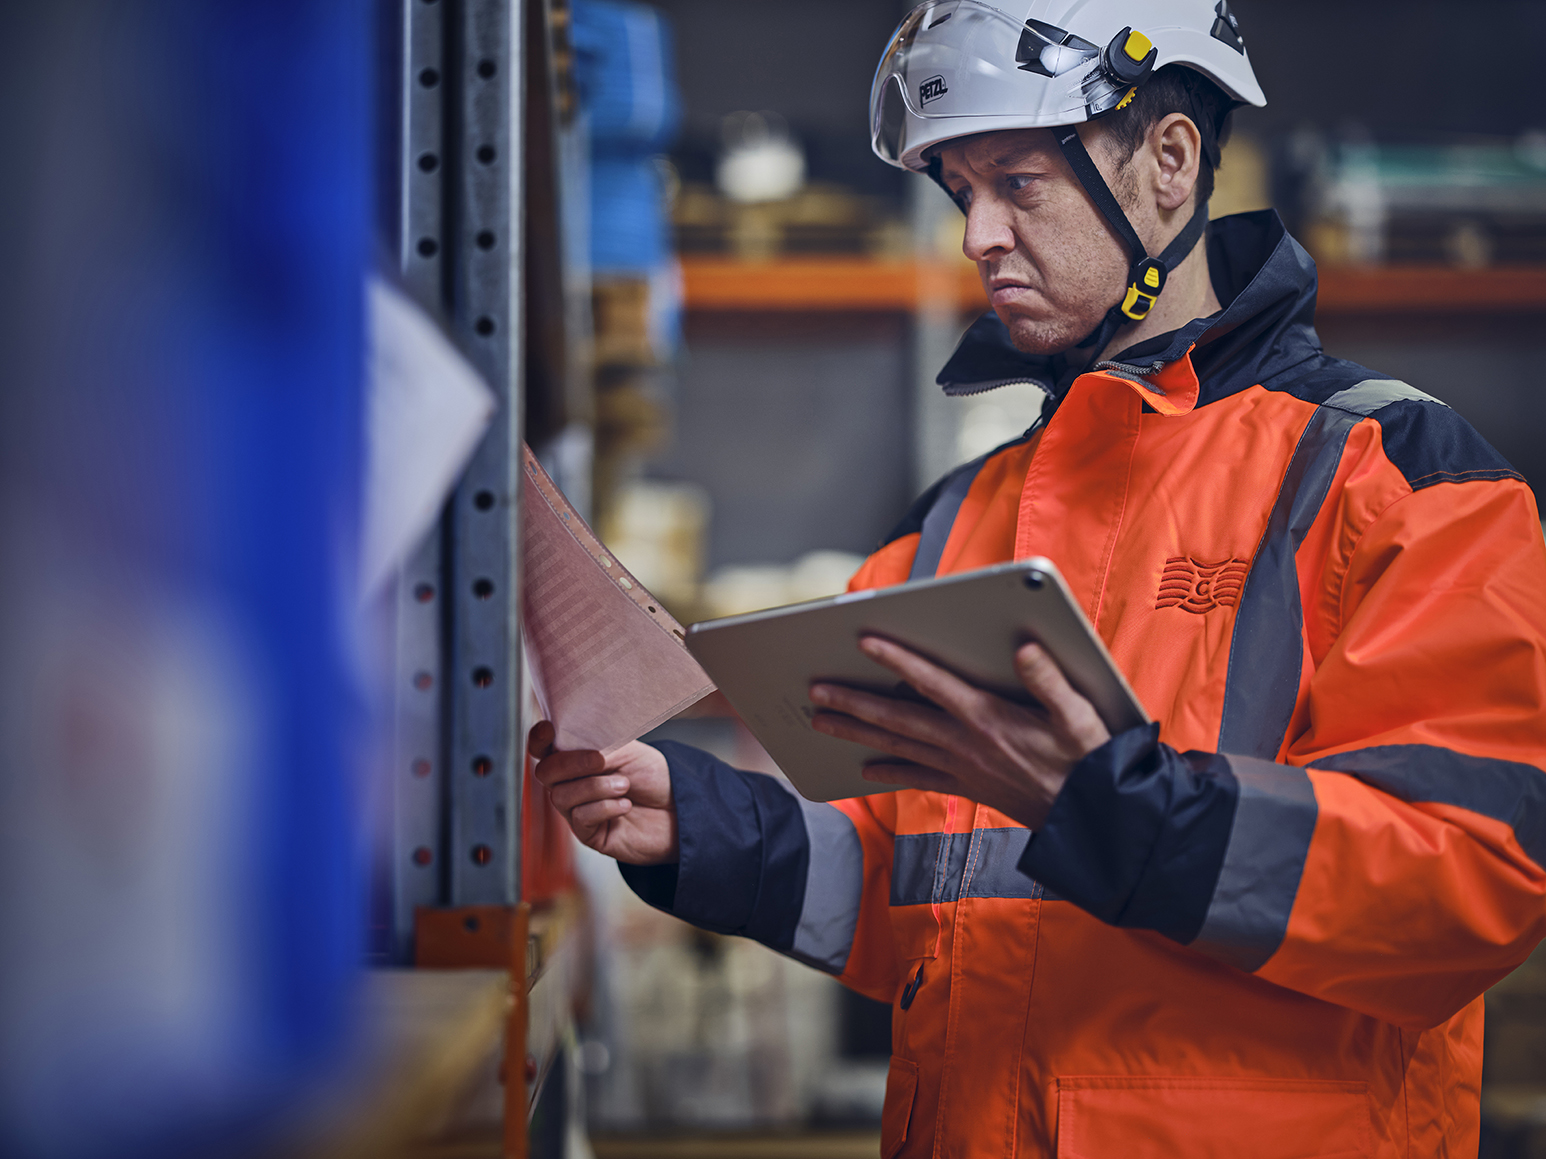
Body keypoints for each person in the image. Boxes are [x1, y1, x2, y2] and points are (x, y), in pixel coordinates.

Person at [532, 2, 1546, 1154]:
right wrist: (714, 831)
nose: (977, 236)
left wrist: (1118, 811)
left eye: (1018, 183)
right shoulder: (954, 524)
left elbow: (1473, 880)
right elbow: (922, 903)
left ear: (1169, 159)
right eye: (962, 193)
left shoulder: (1394, 475)